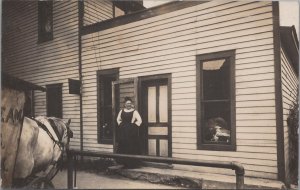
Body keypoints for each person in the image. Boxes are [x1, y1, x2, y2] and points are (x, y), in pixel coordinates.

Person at [116, 97, 142, 168]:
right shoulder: (121, 111)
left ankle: (132, 164)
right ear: (124, 104)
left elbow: (139, 120)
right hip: (123, 132)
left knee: (131, 146)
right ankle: (123, 163)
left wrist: (133, 126)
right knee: (123, 145)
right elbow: (118, 119)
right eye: (127, 103)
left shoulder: (134, 111)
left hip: (131, 132)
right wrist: (121, 124)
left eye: (130, 103)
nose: (129, 105)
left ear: (131, 104)